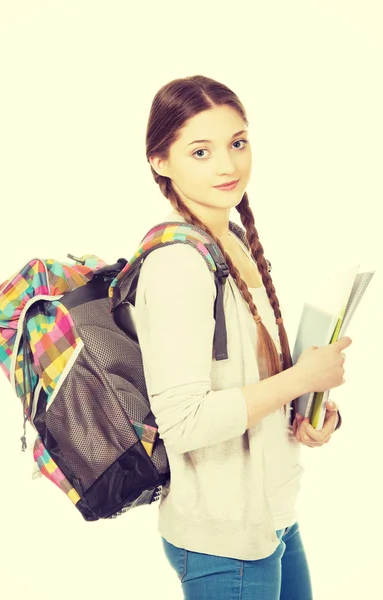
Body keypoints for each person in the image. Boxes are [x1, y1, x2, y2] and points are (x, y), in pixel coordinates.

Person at [133, 75, 351, 600]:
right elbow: (183, 423)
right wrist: (302, 376)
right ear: (161, 161)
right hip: (222, 538)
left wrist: (311, 407)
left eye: (237, 142)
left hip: (271, 517)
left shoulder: (231, 241)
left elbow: (254, 382)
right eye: (201, 151)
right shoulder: (178, 263)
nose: (228, 165)